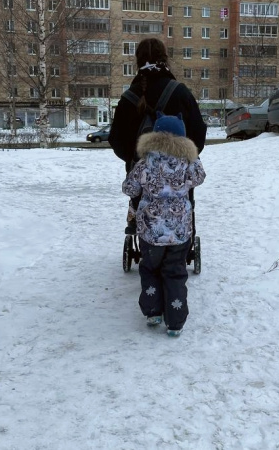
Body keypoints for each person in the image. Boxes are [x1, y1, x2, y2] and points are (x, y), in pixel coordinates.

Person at [109, 37, 207, 235]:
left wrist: (134, 159)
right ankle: (180, 242)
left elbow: (116, 138)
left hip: (141, 171)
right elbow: (198, 133)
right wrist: (183, 156)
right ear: (165, 59)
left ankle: (143, 238)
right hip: (178, 175)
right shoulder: (180, 93)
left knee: (140, 205)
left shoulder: (129, 98)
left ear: (138, 62)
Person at [122, 113, 206, 337]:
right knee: (176, 272)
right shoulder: (189, 162)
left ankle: (153, 312)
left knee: (150, 269)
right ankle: (175, 321)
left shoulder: (145, 162)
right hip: (179, 232)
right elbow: (200, 177)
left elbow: (129, 189)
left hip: (150, 231)